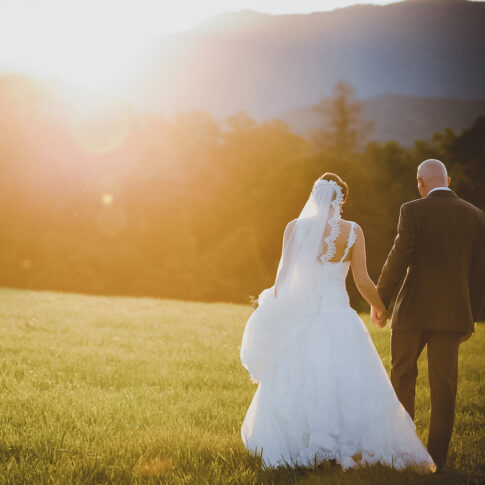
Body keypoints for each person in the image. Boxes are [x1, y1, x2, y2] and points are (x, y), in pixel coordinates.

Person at [240, 172, 435, 472]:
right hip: (339, 318)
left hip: (303, 319)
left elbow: (283, 280)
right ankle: (344, 445)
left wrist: (279, 309)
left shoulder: (295, 229)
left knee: (300, 379)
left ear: (314, 195)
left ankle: (302, 444)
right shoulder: (353, 231)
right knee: (346, 379)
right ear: (341, 198)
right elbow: (362, 280)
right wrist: (380, 307)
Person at [372, 159, 485, 471]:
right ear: (447, 180)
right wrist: (470, 317)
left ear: (420, 183)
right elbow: (479, 274)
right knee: (444, 387)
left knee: (402, 376)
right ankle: (437, 459)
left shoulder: (412, 209)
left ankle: (406, 453)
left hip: (412, 312)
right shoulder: (476, 215)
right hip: (453, 316)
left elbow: (398, 257)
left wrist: (380, 301)